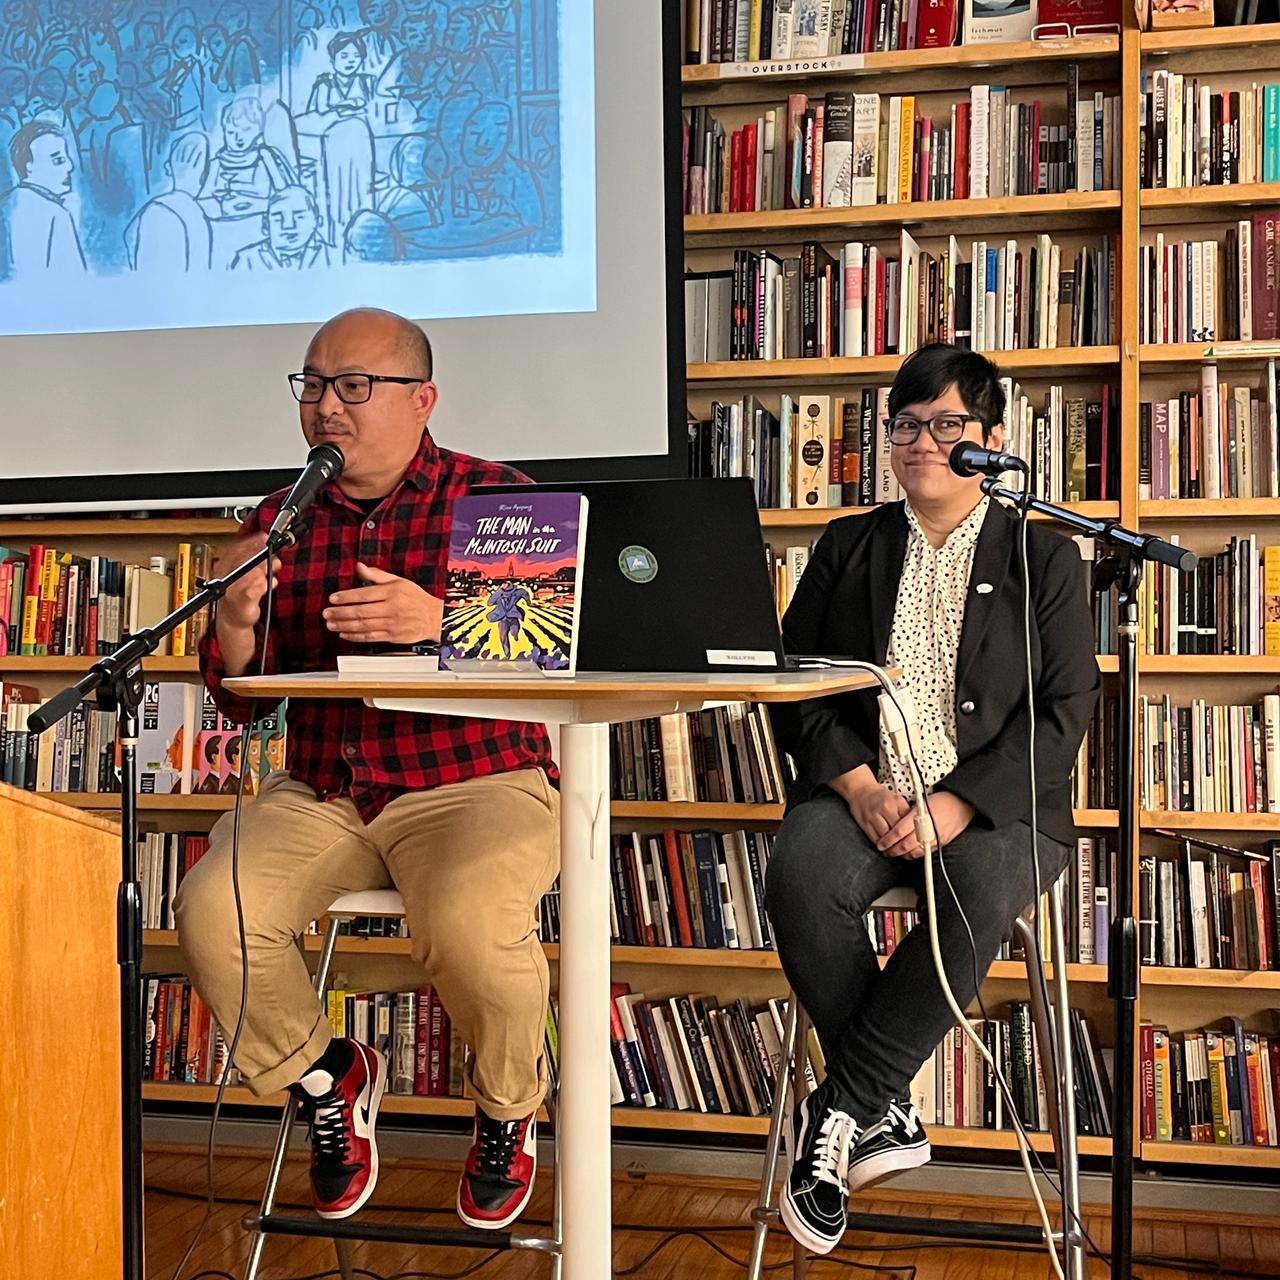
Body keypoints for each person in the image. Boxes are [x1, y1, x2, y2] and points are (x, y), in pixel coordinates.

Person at [175, 308, 559, 1232]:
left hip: (476, 780)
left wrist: (442, 622)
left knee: (468, 923)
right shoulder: (279, 518)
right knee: (211, 910)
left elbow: (563, 659)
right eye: (312, 386)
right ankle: (325, 1074)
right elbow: (242, 702)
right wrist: (230, 625)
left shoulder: (499, 500)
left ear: (422, 399)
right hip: (326, 790)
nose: (326, 408)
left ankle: (508, 1109)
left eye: (354, 386)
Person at [764, 343, 1101, 1256]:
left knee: (979, 893)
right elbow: (797, 686)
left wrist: (955, 804)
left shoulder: (1044, 554)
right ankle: (884, 1111)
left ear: (990, 439)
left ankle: (843, 1109)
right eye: (906, 425)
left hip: (998, 807)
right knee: (798, 870)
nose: (920, 442)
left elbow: (1066, 708)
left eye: (945, 424)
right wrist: (859, 786)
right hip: (866, 792)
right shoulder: (850, 545)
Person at [0, 120, 86, 277]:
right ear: (28, 166)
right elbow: (76, 281)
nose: (70, 166)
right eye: (58, 160)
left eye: (67, 158)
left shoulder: (4, 204)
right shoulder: (57, 215)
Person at [125, 131, 213, 273]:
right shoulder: (197, 214)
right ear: (204, 175)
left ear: (168, 167)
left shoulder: (155, 208)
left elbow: (130, 240)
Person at [230, 184, 330, 271]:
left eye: (299, 216)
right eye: (278, 218)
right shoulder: (247, 259)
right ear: (265, 224)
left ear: (316, 221)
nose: (288, 226)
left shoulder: (332, 254)